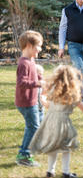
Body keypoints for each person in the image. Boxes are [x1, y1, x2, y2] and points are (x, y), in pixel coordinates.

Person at [29, 65, 83, 178]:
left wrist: (42, 99)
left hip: (49, 122)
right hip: (63, 123)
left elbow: (48, 105)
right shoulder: (71, 94)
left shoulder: (53, 91)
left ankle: (50, 171)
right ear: (72, 80)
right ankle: (65, 172)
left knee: (53, 148)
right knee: (66, 148)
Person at [15, 30, 45, 167]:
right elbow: (22, 83)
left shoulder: (31, 60)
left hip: (32, 101)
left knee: (32, 126)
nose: (40, 48)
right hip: (26, 102)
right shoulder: (24, 63)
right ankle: (24, 155)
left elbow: (34, 77)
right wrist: (38, 83)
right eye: (38, 46)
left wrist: (41, 79)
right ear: (28, 45)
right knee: (34, 127)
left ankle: (27, 149)